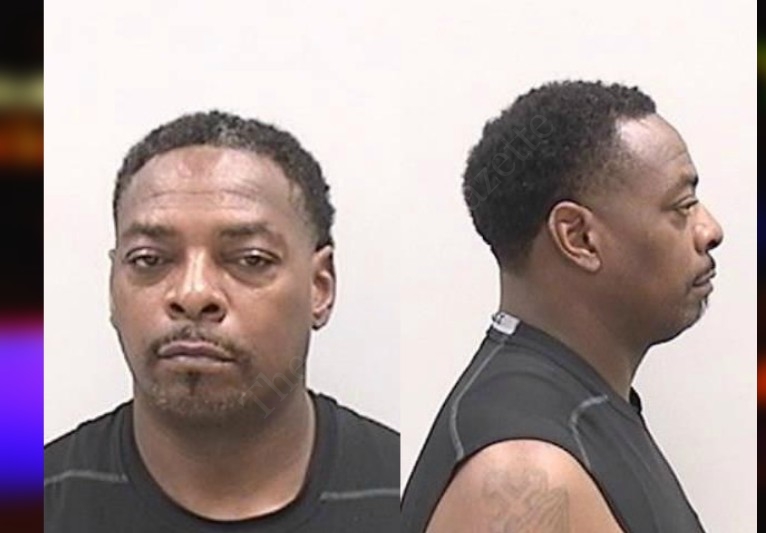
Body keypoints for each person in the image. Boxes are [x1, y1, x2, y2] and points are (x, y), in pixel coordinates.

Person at [45, 111, 399, 532]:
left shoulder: (411, 498)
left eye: (251, 259)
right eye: (149, 260)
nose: (193, 294)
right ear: (112, 287)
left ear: (319, 287)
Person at [401, 81, 723, 532]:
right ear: (579, 238)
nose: (711, 230)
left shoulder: (583, 408)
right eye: (682, 206)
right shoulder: (523, 474)